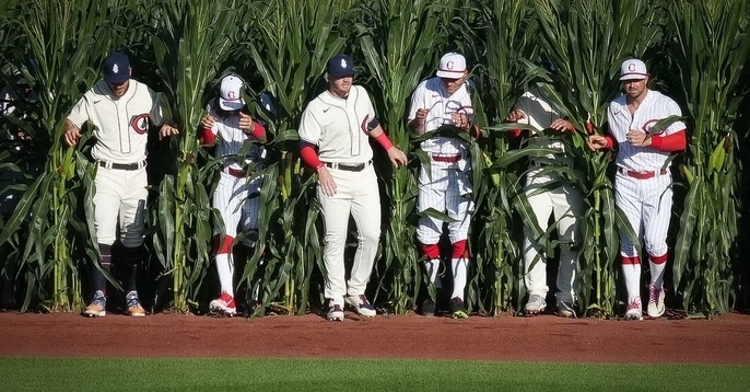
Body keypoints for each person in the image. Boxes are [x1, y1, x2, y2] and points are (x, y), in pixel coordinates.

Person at [64, 52, 179, 317]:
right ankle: (99, 296)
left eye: (121, 80)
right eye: (112, 81)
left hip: (137, 174)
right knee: (102, 233)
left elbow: (166, 119)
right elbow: (71, 120)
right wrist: (69, 129)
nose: (117, 86)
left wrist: (167, 127)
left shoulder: (145, 93)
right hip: (105, 172)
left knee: (132, 238)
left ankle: (132, 295)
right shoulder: (94, 95)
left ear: (129, 73)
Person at [298, 54, 408, 321]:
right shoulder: (317, 106)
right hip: (333, 175)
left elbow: (369, 123)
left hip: (365, 172)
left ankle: (357, 291)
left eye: (348, 75)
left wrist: (389, 146)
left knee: (371, 234)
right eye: (339, 76)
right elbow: (305, 146)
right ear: (329, 78)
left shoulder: (360, 93)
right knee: (334, 239)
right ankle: (335, 298)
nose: (346, 80)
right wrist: (320, 168)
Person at [587, 58, 687, 320]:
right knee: (629, 243)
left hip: (656, 180)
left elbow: (680, 141)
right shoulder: (615, 106)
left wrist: (650, 139)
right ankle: (633, 301)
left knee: (654, 243)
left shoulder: (664, 103)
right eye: (627, 81)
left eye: (636, 80)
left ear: (647, 78)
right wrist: (604, 141)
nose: (631, 85)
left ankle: (655, 288)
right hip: (626, 179)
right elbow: (616, 139)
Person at [407, 52, 481, 319]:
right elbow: (412, 131)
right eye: (445, 78)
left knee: (459, 232)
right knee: (428, 231)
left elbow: (483, 132)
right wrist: (418, 122)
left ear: (465, 73)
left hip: (461, 167)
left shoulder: (473, 91)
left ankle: (457, 297)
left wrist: (468, 125)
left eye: (454, 79)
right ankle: (431, 290)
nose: (449, 83)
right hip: (431, 165)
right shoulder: (425, 88)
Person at [507, 87, 585, 318]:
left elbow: (593, 129)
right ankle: (536, 294)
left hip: (568, 171)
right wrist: (514, 122)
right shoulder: (529, 97)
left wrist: (573, 127)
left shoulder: (577, 92)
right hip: (537, 170)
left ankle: (567, 297)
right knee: (533, 232)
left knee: (570, 237)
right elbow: (514, 134)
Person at [199, 74, 268, 316]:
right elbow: (207, 143)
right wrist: (206, 130)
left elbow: (274, 139)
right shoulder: (214, 108)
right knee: (223, 235)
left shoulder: (260, 105)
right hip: (227, 176)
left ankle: (254, 295)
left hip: (254, 180)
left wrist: (254, 127)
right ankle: (227, 295)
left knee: (254, 239)